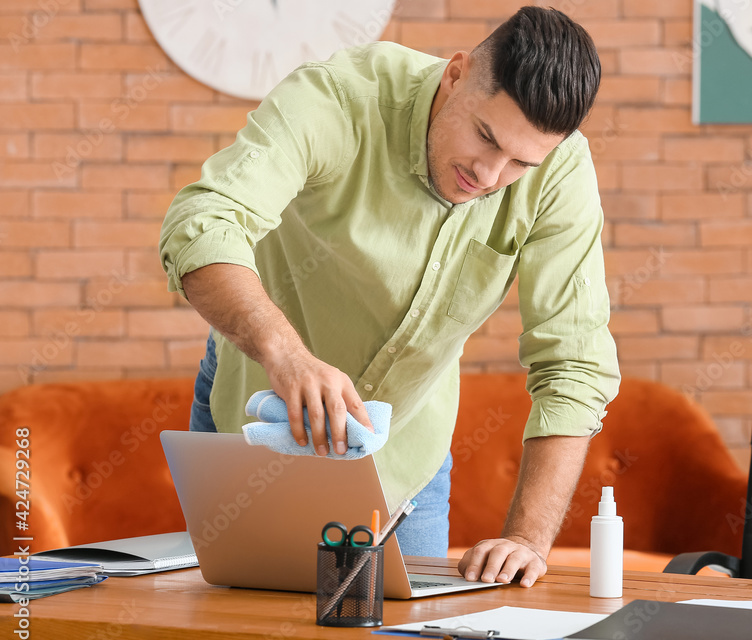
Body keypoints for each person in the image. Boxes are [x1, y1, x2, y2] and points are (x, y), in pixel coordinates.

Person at [159, 6, 620, 589]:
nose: (490, 173)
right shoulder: (339, 97)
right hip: (256, 421)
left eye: (520, 164)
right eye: (485, 136)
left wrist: (527, 538)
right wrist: (287, 354)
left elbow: (573, 362)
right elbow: (203, 222)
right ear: (457, 73)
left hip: (405, 456)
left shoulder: (560, 173)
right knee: (243, 638)